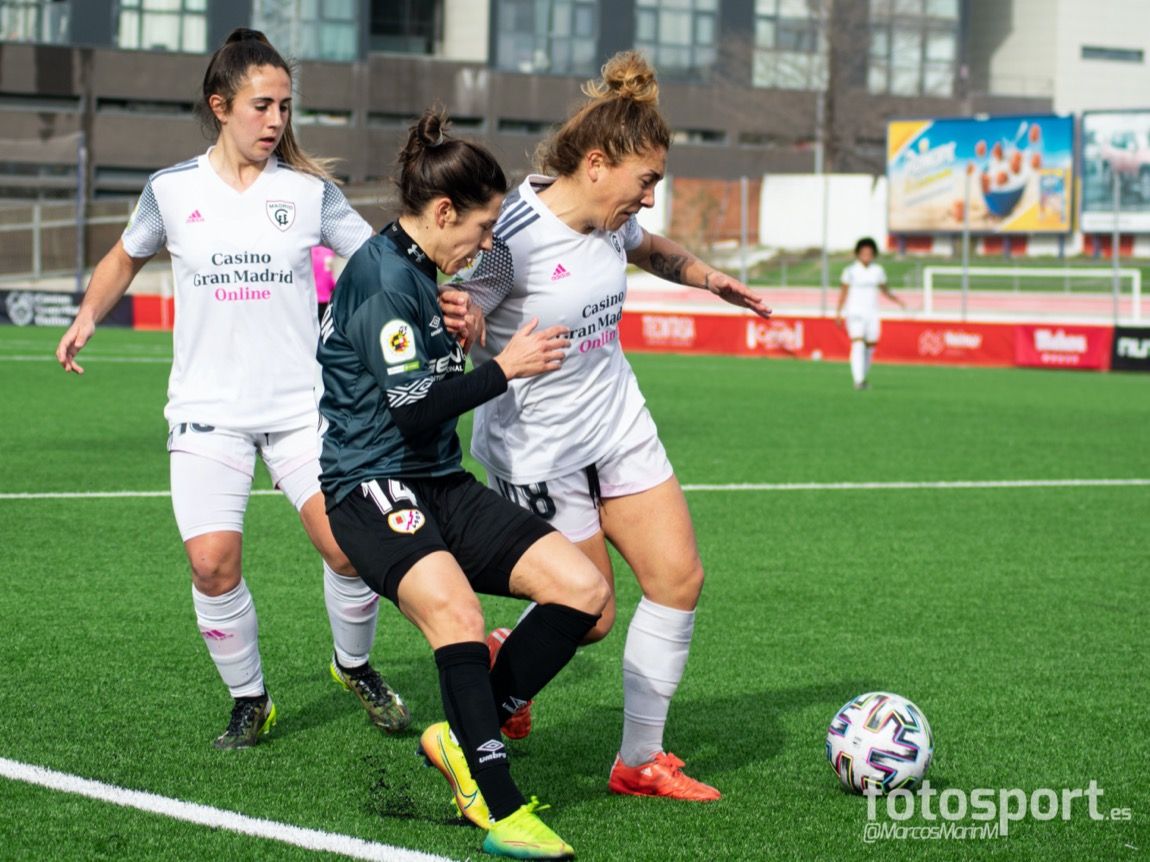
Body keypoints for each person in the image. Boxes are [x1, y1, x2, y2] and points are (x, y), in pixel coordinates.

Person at [54, 29, 410, 749]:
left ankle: (354, 666)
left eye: (284, 106)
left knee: (349, 551)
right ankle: (251, 699)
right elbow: (123, 256)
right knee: (211, 567)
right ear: (220, 106)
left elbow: (380, 258)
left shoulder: (309, 194)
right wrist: (88, 314)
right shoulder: (171, 190)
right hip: (207, 412)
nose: (276, 120)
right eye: (261, 105)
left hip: (302, 409)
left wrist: (439, 291)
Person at [439, 51, 771, 802]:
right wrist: (471, 316)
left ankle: (639, 761)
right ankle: (505, 663)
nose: (649, 198)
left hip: (618, 425)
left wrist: (707, 278)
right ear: (596, 164)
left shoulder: (610, 222)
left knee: (679, 580)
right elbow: (478, 290)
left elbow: (649, 248)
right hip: (539, 450)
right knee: (590, 615)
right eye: (645, 181)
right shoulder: (513, 233)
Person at [318, 107, 610, 860]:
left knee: (584, 592)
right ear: (443, 211)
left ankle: (463, 733)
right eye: (481, 230)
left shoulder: (421, 272)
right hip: (372, 485)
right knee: (456, 613)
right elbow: (411, 409)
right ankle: (500, 807)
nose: (486, 248)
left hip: (439, 480)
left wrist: (467, 335)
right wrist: (504, 368)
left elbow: (426, 380)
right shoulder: (384, 280)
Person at [834, 237, 905, 390]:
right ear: (858, 254)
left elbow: (885, 289)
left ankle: (862, 377)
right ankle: (858, 380)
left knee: (870, 346)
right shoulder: (850, 271)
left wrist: (897, 300)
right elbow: (843, 292)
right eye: (863, 253)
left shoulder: (878, 271)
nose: (866, 256)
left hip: (872, 313)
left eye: (869, 253)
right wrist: (838, 312)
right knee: (858, 343)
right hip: (855, 312)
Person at [312, 244, 337, 322]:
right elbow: (328, 275)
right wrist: (335, 288)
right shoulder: (329, 252)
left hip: (311, 297)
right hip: (324, 297)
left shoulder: (309, 250)